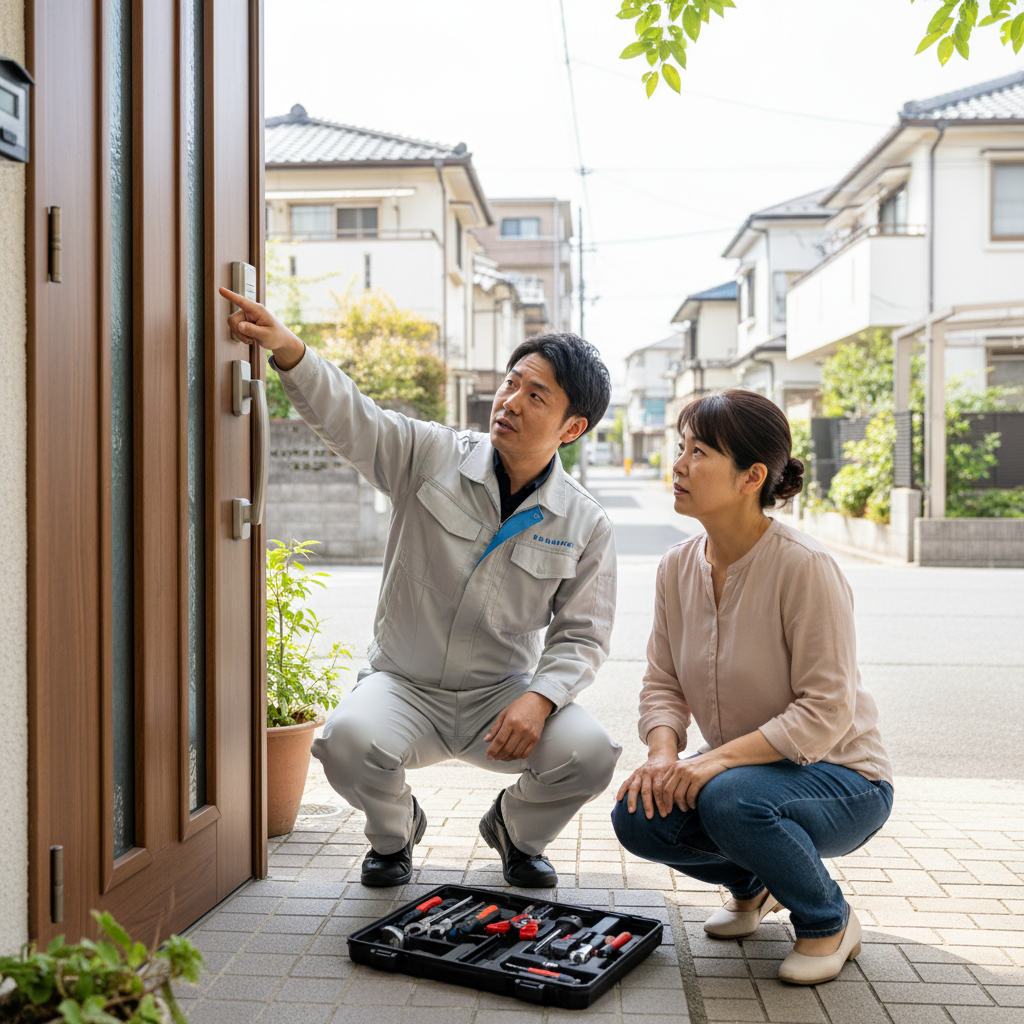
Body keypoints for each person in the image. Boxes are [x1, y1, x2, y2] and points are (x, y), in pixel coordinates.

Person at [221, 286, 621, 889]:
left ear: (573, 427)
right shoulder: (431, 455)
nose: (509, 402)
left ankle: (516, 831)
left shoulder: (585, 522)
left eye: (535, 395)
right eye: (511, 383)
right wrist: (288, 349)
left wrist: (541, 699)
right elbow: (354, 418)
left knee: (590, 754)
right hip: (404, 687)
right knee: (345, 740)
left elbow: (583, 636)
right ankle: (395, 833)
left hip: (501, 698)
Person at [610, 389, 893, 986]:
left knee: (729, 798)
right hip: (745, 773)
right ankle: (755, 886)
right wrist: (663, 758)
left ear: (752, 477)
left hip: (844, 779)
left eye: (699, 452)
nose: (679, 465)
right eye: (681, 448)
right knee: (639, 812)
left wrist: (711, 763)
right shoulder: (676, 567)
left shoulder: (804, 567)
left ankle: (828, 920)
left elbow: (825, 710)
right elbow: (663, 681)